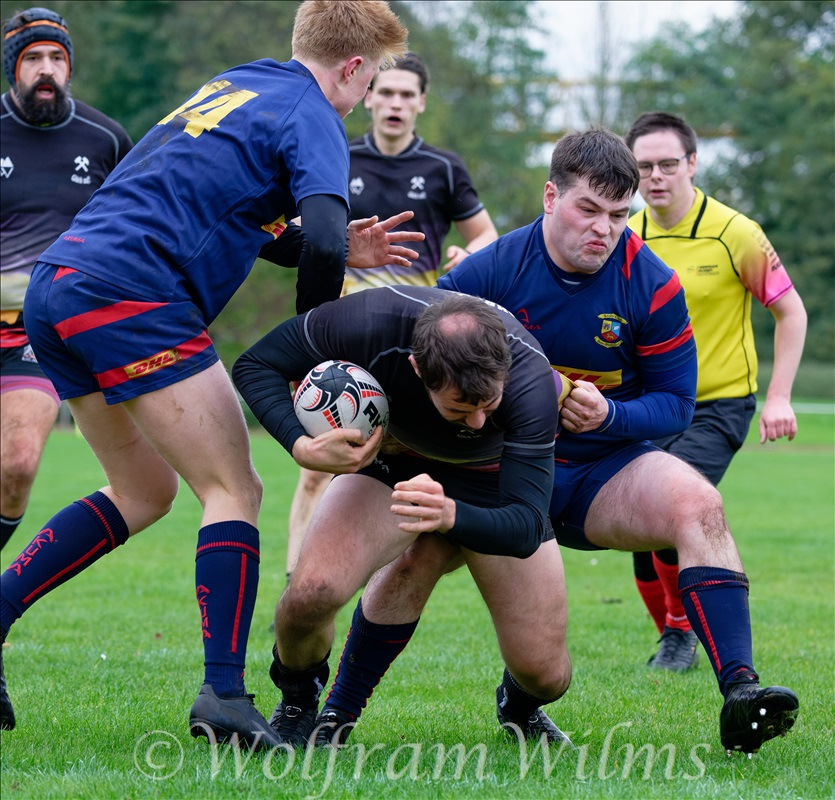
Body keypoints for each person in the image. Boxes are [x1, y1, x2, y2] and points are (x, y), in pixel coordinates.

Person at [0, 0, 415, 742]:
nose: (365, 93)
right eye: (371, 76)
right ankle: (223, 695)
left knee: (144, 491)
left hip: (60, 284)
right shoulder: (316, 113)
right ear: (352, 67)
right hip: (133, 293)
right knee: (235, 488)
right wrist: (316, 359)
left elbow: (235, 211)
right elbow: (323, 237)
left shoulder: (241, 81)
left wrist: (330, 246)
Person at [311, 129, 799, 756]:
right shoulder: (490, 270)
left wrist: (610, 415)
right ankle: (336, 716)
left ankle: (741, 693)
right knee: (417, 557)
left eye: (619, 215)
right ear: (550, 197)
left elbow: (677, 405)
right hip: (492, 467)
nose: (604, 229)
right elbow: (423, 361)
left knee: (699, 506)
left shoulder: (652, 284)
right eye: (588, 210)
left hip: (597, 469)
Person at [232, 287, 571, 749]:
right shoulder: (368, 322)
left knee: (546, 675)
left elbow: (526, 525)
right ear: (417, 367)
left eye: (489, 405)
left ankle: (519, 705)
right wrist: (301, 444)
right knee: (312, 592)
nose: (476, 422)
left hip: (490, 478)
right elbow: (255, 364)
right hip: (398, 459)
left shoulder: (530, 378)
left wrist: (449, 515)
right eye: (459, 407)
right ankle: (298, 699)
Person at [286, 51, 497, 582]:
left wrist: (467, 256)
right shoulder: (338, 153)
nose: (395, 103)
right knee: (320, 462)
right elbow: (297, 226)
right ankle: (298, 578)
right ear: (369, 97)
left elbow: (485, 236)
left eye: (407, 94)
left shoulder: (444, 168)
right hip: (345, 332)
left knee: (411, 461)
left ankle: (385, 576)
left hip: (417, 339)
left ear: (421, 103)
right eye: (386, 92)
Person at [622, 112, 807, 672]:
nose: (656, 176)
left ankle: (681, 634)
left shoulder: (735, 233)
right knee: (637, 533)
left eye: (668, 164)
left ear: (693, 164)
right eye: (644, 166)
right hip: (651, 404)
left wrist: (779, 396)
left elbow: (791, 312)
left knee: (667, 508)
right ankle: (672, 635)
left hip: (718, 404)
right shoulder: (625, 234)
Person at [1, 7, 132, 555]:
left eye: (57, 58)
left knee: (17, 463)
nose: (47, 69)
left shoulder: (106, 139)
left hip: (35, 331)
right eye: (33, 58)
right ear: (13, 68)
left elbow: (132, 228)